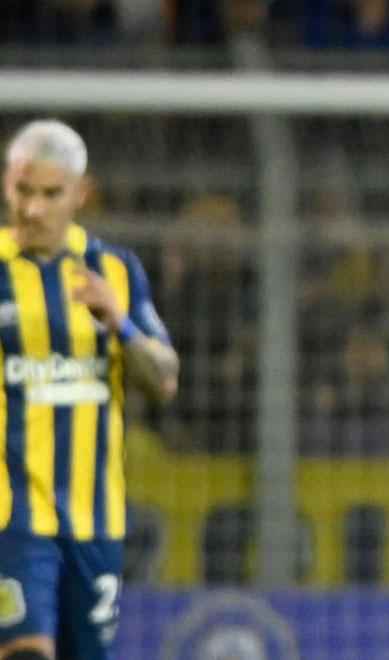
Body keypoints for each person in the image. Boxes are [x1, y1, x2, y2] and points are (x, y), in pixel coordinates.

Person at [0, 119, 181, 660]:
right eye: (22, 190)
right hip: (12, 519)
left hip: (95, 520)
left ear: (81, 193)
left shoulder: (115, 270)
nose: (33, 209)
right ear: (7, 184)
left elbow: (164, 381)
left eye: (50, 194)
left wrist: (119, 324)